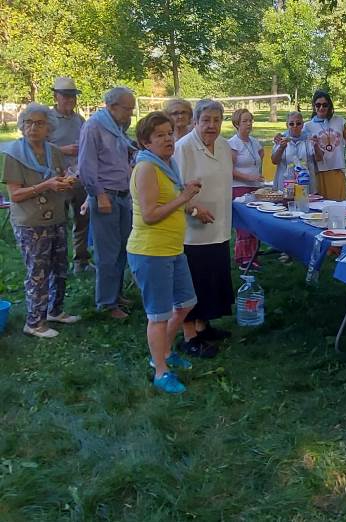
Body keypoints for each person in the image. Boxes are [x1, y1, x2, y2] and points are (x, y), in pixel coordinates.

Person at [127, 112, 202, 393]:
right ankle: (160, 371)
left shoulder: (167, 165)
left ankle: (164, 352)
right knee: (158, 315)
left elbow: (172, 202)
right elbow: (149, 215)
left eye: (170, 133)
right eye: (160, 135)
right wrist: (184, 197)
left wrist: (191, 206)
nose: (168, 138)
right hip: (150, 251)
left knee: (186, 303)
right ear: (146, 142)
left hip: (172, 248)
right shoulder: (147, 168)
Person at [1, 103, 80, 338]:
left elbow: (60, 176)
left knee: (60, 268)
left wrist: (67, 180)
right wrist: (46, 185)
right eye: (28, 123)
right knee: (38, 272)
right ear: (22, 126)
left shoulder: (53, 151)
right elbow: (15, 195)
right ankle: (34, 322)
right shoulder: (13, 154)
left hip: (56, 216)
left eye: (39, 123)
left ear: (49, 128)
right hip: (30, 221)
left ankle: (55, 311)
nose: (33, 127)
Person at [172, 99, 234, 357]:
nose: (211, 125)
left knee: (212, 279)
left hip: (219, 227)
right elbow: (174, 189)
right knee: (193, 281)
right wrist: (194, 209)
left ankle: (203, 325)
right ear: (195, 121)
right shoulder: (183, 148)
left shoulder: (223, 146)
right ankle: (189, 336)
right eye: (206, 120)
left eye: (216, 120)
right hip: (192, 229)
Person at [78, 86, 138, 319]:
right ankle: (106, 302)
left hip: (123, 195)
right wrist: (99, 195)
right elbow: (86, 166)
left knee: (123, 247)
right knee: (107, 253)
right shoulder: (93, 126)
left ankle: (116, 293)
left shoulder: (118, 127)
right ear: (112, 106)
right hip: (106, 196)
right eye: (127, 109)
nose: (130, 113)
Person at [48, 77, 91, 273]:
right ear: (56, 96)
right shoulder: (47, 119)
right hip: (56, 178)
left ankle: (81, 261)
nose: (69, 100)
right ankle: (58, 263)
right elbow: (36, 147)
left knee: (82, 219)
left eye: (72, 96)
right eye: (65, 96)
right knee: (59, 222)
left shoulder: (79, 120)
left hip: (79, 176)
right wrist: (62, 150)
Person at [303, 91, 346, 201]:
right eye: (318, 105)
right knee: (321, 207)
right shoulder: (307, 126)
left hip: (336, 170)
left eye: (325, 105)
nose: (321, 108)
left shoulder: (339, 121)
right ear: (314, 106)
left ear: (330, 106)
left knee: (340, 206)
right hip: (318, 172)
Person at [228, 108, 264, 269]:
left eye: (250, 120)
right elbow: (229, 170)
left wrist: (257, 176)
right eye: (245, 121)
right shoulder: (233, 144)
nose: (249, 123)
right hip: (239, 188)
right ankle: (243, 258)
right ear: (237, 124)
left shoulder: (255, 142)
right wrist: (249, 177)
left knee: (254, 223)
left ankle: (253, 255)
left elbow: (260, 156)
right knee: (244, 225)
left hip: (255, 188)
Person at [272, 111, 320, 191]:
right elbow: (274, 161)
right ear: (287, 125)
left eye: (298, 123)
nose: (295, 126)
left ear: (302, 125)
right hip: (285, 185)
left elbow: (319, 158)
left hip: (306, 185)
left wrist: (316, 146)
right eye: (291, 124)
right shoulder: (280, 139)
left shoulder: (310, 138)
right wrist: (281, 148)